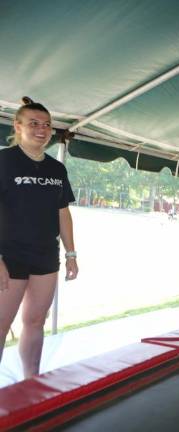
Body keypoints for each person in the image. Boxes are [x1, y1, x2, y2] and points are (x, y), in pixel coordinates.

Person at [0, 97, 78, 379]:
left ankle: (30, 381)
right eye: (34, 123)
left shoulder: (57, 169)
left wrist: (71, 254)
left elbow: (63, 213)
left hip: (46, 256)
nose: (42, 129)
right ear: (17, 126)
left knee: (35, 321)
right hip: (8, 255)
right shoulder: (4, 160)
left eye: (46, 125)